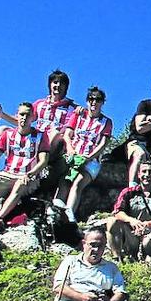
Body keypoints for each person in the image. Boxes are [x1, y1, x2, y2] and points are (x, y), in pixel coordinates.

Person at [0, 102, 51, 233]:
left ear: (33, 118)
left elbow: (43, 161)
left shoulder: (40, 136)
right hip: (8, 173)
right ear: (17, 115)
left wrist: (31, 174)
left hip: (28, 176)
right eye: (21, 114)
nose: (24, 118)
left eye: (28, 115)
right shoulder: (8, 134)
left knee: (20, 185)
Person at [55, 86, 113, 218]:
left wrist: (89, 157)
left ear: (102, 102)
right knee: (64, 181)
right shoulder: (78, 115)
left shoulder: (106, 122)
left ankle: (70, 215)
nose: (94, 102)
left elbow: (103, 144)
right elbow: (67, 134)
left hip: (91, 161)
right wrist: (70, 150)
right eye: (91, 99)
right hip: (73, 156)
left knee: (78, 183)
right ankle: (57, 212)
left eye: (98, 100)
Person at [0, 70, 76, 155]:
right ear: (50, 85)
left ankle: (45, 162)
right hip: (36, 140)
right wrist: (1, 114)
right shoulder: (40, 104)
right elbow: (21, 121)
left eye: (62, 83)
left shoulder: (71, 108)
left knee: (55, 133)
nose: (58, 86)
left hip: (55, 146)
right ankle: (13, 158)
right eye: (55, 82)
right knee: (2, 130)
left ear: (66, 87)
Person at [107, 158, 151, 260]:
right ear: (139, 174)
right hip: (131, 235)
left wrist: (147, 224)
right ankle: (116, 258)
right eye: (144, 171)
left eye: (150, 172)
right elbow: (118, 212)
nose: (147, 175)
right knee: (112, 221)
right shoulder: (128, 192)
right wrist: (132, 221)